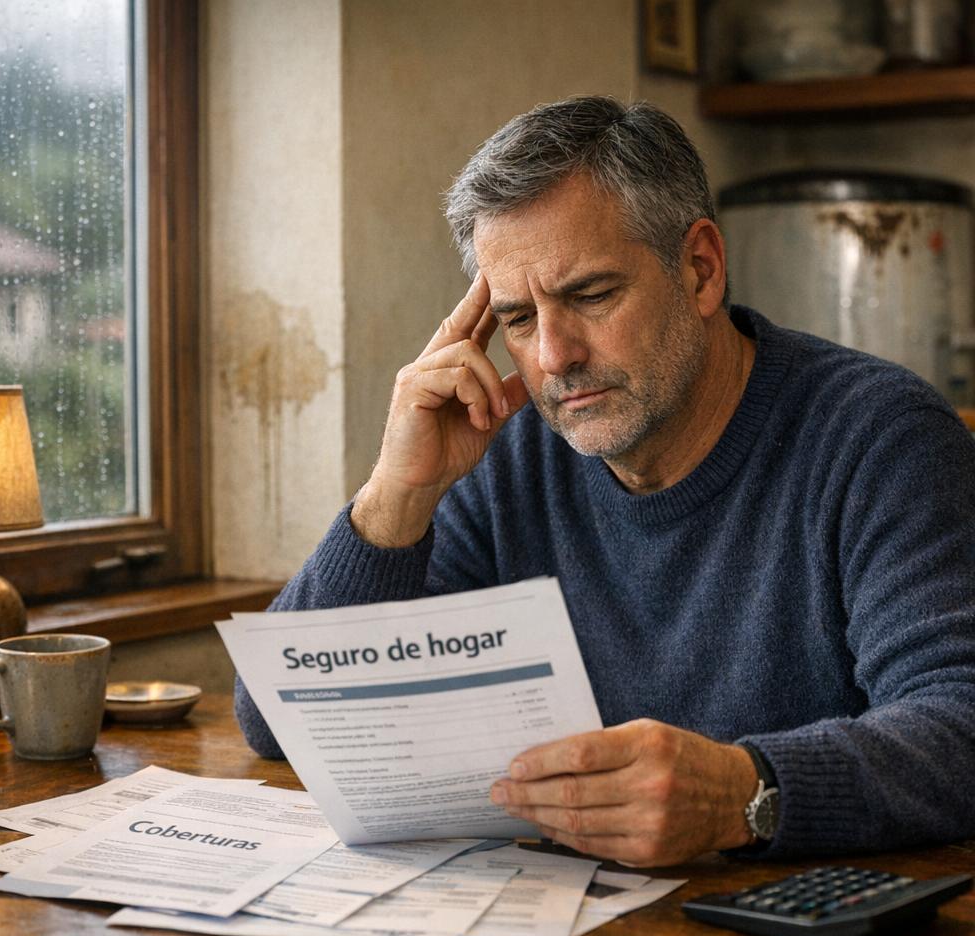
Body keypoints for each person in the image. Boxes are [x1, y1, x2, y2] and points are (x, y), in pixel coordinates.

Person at [235, 96, 975, 866]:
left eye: (590, 296)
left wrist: (743, 792)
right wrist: (398, 493)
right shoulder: (512, 456)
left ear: (700, 270)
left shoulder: (880, 438)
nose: (554, 356)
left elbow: (960, 722)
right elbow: (277, 725)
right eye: (518, 319)